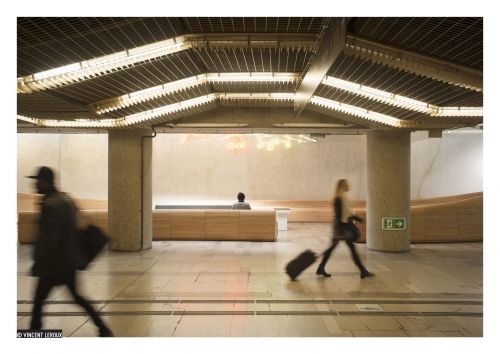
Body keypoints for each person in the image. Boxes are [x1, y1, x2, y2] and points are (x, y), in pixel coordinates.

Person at [26, 166, 113, 337]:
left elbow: (51, 237)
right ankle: (103, 328)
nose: (35, 184)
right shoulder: (65, 198)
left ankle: (33, 335)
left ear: (45, 182)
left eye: (37, 180)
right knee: (77, 297)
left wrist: (39, 259)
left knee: (38, 301)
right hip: (69, 261)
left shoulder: (49, 204)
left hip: (53, 264)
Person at [316, 179, 374, 279]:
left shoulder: (343, 198)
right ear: (342, 186)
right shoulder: (339, 199)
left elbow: (347, 214)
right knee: (350, 248)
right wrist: (339, 232)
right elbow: (338, 216)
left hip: (342, 226)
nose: (349, 185)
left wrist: (358, 219)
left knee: (334, 248)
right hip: (341, 227)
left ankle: (321, 268)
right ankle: (363, 270)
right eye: (347, 184)